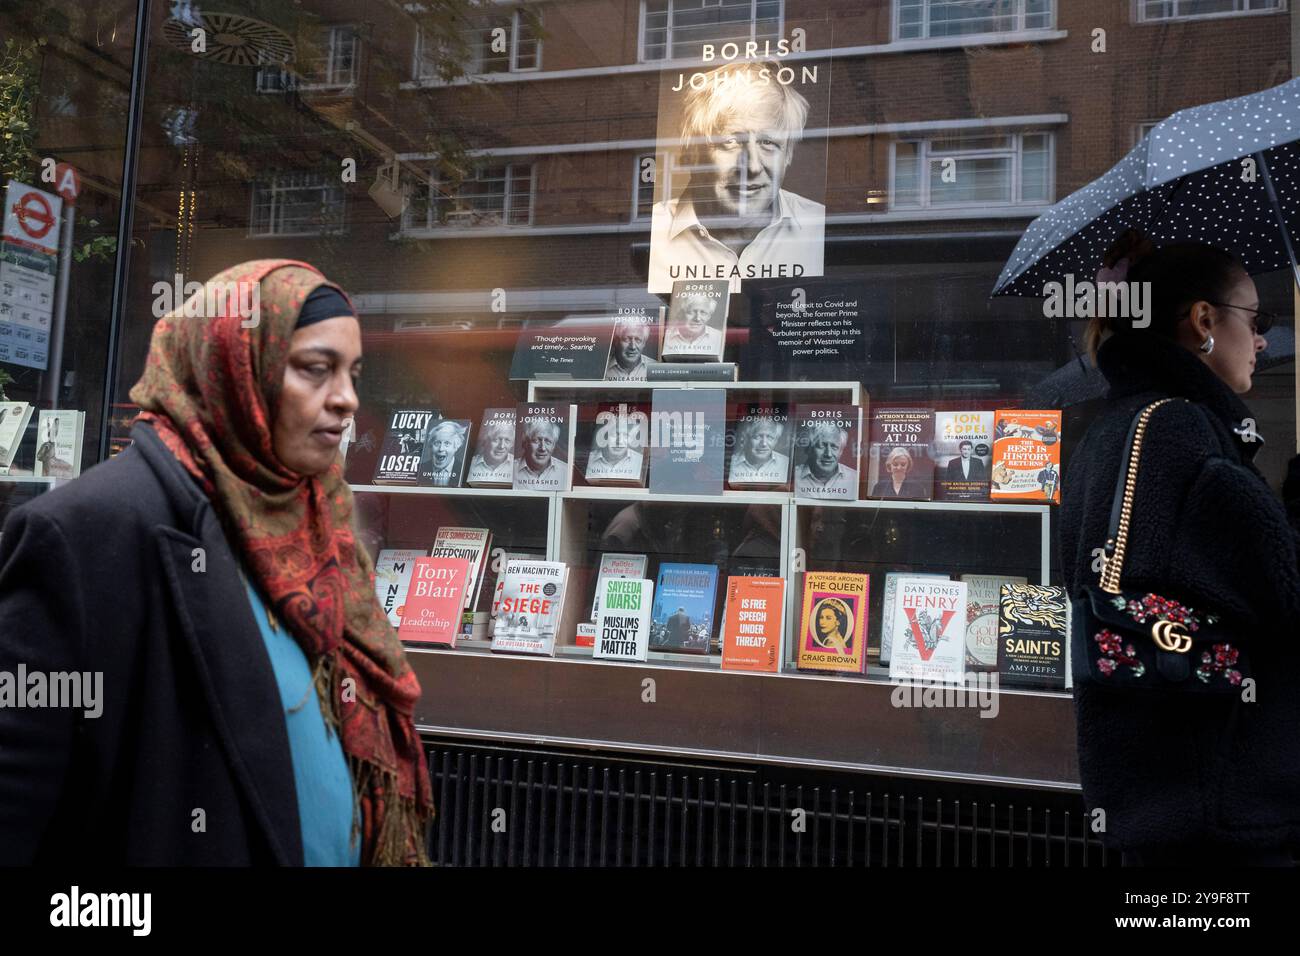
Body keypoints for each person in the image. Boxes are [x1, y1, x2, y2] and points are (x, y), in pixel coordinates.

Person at [0, 260, 432, 865]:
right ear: (233, 367)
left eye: (353, 373)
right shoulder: (89, 531)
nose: (347, 399)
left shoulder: (317, 518)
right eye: (316, 369)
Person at [1061, 229, 1300, 866]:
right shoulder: (1186, 430)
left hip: (1152, 805)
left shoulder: (1108, 430)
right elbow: (1286, 591)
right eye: (1256, 318)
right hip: (1228, 816)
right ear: (1202, 322)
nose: (1263, 339)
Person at [647, 60, 825, 293]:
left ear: (788, 155)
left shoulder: (821, 227)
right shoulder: (651, 231)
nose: (752, 166)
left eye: (768, 142)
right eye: (730, 142)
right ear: (692, 152)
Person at [794, 421, 857, 497]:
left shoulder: (854, 478)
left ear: (841, 451)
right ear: (809, 449)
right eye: (821, 446)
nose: (828, 454)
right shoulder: (794, 476)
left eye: (834, 447)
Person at [663, 290, 724, 357]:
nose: (697, 318)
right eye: (692, 312)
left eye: (703, 313)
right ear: (682, 313)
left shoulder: (719, 338)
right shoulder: (666, 337)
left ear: (709, 317)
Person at [729, 417, 789, 484]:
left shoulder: (786, 464)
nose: (764, 444)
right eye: (757, 437)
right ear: (746, 439)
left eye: (770, 437)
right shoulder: (731, 463)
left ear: (776, 441)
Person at [514, 418, 567, 488]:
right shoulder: (511, 469)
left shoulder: (566, 471)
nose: (543, 448)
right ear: (526, 443)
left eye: (548, 441)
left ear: (553, 445)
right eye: (536, 441)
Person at [467, 415, 514, 485]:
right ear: (486, 441)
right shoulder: (471, 465)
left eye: (507, 440)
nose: (501, 446)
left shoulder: (516, 466)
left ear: (512, 444)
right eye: (496, 440)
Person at [419, 418, 466, 486]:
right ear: (431, 445)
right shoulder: (420, 469)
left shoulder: (464, 471)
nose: (441, 449)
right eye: (437, 443)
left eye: (447, 443)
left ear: (456, 447)